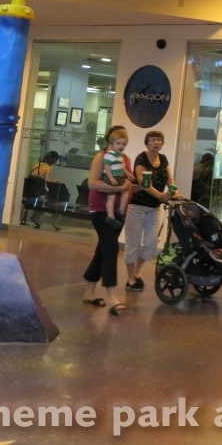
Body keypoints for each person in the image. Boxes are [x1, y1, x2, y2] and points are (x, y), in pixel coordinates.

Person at [83, 126, 132, 314]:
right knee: (111, 249)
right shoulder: (101, 157)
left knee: (102, 250)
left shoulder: (125, 159)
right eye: (119, 141)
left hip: (119, 211)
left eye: (124, 141)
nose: (122, 145)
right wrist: (119, 189)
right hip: (101, 210)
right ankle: (112, 296)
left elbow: (125, 183)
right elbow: (93, 183)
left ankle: (89, 293)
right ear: (110, 141)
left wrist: (137, 188)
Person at [125, 130, 176, 292]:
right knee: (133, 243)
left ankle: (137, 270)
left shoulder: (164, 159)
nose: (156, 142)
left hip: (154, 208)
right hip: (137, 206)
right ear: (147, 143)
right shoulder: (141, 158)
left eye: (159, 140)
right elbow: (142, 182)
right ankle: (130, 278)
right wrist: (160, 195)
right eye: (153, 140)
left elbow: (170, 179)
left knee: (151, 242)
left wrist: (175, 192)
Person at [102, 129, 134, 228]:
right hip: (111, 177)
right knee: (111, 197)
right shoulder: (110, 154)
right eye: (118, 143)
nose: (121, 146)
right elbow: (107, 166)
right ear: (112, 144)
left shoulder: (119, 155)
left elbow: (121, 167)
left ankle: (120, 210)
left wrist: (128, 174)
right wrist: (111, 178)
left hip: (118, 176)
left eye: (124, 144)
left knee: (125, 191)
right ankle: (111, 215)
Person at [24, 150, 61, 227]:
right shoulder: (48, 168)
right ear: (53, 160)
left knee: (47, 198)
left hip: (30, 193)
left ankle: (37, 216)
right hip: (40, 195)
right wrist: (55, 181)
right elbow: (48, 184)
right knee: (54, 199)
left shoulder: (36, 164)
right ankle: (55, 220)